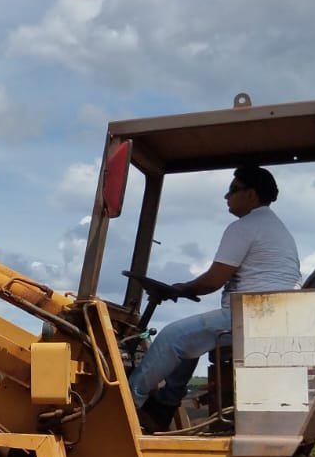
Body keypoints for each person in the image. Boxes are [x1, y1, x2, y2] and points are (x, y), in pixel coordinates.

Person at [128, 164, 300, 432]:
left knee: (172, 337)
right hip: (272, 314)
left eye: (233, 190)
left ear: (251, 195)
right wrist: (183, 289)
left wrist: (181, 289)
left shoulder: (245, 226)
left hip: (252, 315)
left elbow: (213, 280)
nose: (226, 197)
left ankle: (125, 406)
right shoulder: (274, 227)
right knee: (190, 345)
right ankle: (163, 407)